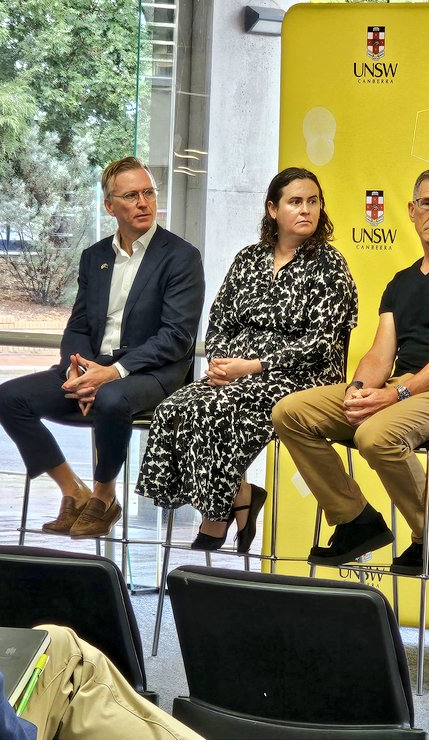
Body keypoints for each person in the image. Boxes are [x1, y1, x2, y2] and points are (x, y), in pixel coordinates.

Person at [0, 334, 202, 740]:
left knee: (57, 642)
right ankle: (86, 492)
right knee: (74, 667)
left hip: (139, 375)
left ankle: (92, 493)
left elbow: (175, 337)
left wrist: (107, 372)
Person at [272, 167, 429, 576]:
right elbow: (380, 354)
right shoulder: (401, 282)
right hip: (403, 388)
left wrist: (395, 395)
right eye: (427, 204)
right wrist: (360, 388)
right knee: (290, 412)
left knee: (375, 435)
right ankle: (356, 520)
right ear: (412, 211)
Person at [135, 167, 357, 551]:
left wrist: (253, 366)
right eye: (295, 201)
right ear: (273, 209)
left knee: (218, 407)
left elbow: (321, 343)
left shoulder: (329, 265)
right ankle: (240, 493)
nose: (306, 209)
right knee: (175, 407)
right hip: (238, 372)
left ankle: (215, 517)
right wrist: (221, 362)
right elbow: (220, 320)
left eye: (313, 201)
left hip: (303, 376)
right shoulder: (248, 259)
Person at [0, 157, 205, 539]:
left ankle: (104, 497)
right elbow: (78, 325)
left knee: (110, 399)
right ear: (110, 206)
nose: (143, 203)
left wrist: (111, 374)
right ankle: (73, 491)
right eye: (131, 196)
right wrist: (76, 368)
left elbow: (177, 336)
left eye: (148, 193)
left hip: (152, 372)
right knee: (8, 398)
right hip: (94, 367)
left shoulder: (181, 256)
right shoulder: (95, 257)